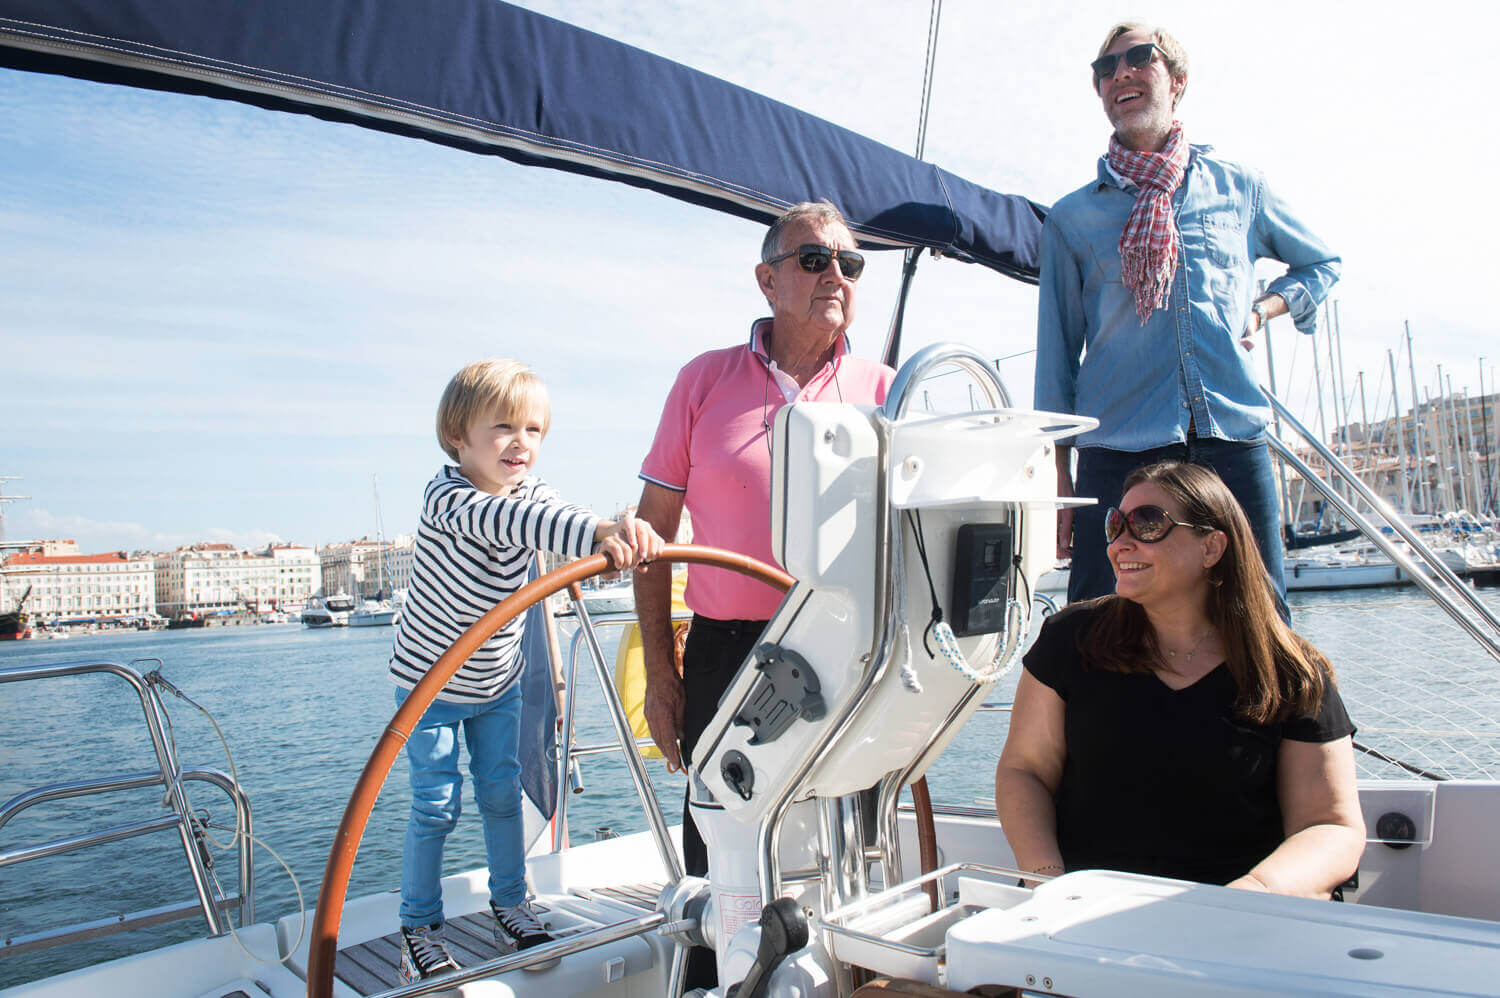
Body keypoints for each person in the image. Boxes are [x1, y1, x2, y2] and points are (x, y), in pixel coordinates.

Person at [632, 200, 895, 984]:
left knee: (840, 849)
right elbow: (654, 539)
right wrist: (662, 674)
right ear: (767, 279)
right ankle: (721, 983)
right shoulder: (702, 381)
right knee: (722, 853)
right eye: (815, 259)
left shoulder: (884, 388)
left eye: (850, 263)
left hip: (847, 654)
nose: (835, 276)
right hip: (724, 652)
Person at [1035, 21, 1341, 609]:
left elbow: (1320, 264)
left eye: (1138, 58)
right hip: (1118, 450)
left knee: (1262, 618)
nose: (1119, 73)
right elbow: (1056, 357)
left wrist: (1264, 308)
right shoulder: (1071, 219)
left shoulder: (1241, 188)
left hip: (1229, 437)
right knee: (1101, 621)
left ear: (1176, 80)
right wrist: (1059, 478)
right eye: (1105, 68)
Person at [389, 358, 663, 982]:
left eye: (534, 430)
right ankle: (418, 929)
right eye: (505, 427)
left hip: (496, 680)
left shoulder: (532, 492)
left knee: (500, 795)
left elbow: (550, 511)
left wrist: (608, 528)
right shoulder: (449, 497)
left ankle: (511, 903)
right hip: (429, 684)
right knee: (435, 805)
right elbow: (517, 524)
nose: (522, 443)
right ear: (458, 435)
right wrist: (596, 532)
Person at [995, 461, 1364, 896]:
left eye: (1147, 525)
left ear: (1212, 548)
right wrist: (1046, 881)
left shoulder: (1288, 671)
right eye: (1117, 526)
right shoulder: (1071, 641)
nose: (1120, 545)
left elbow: (1331, 826)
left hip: (1242, 923)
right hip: (1085, 913)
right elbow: (1025, 771)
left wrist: (1251, 894)